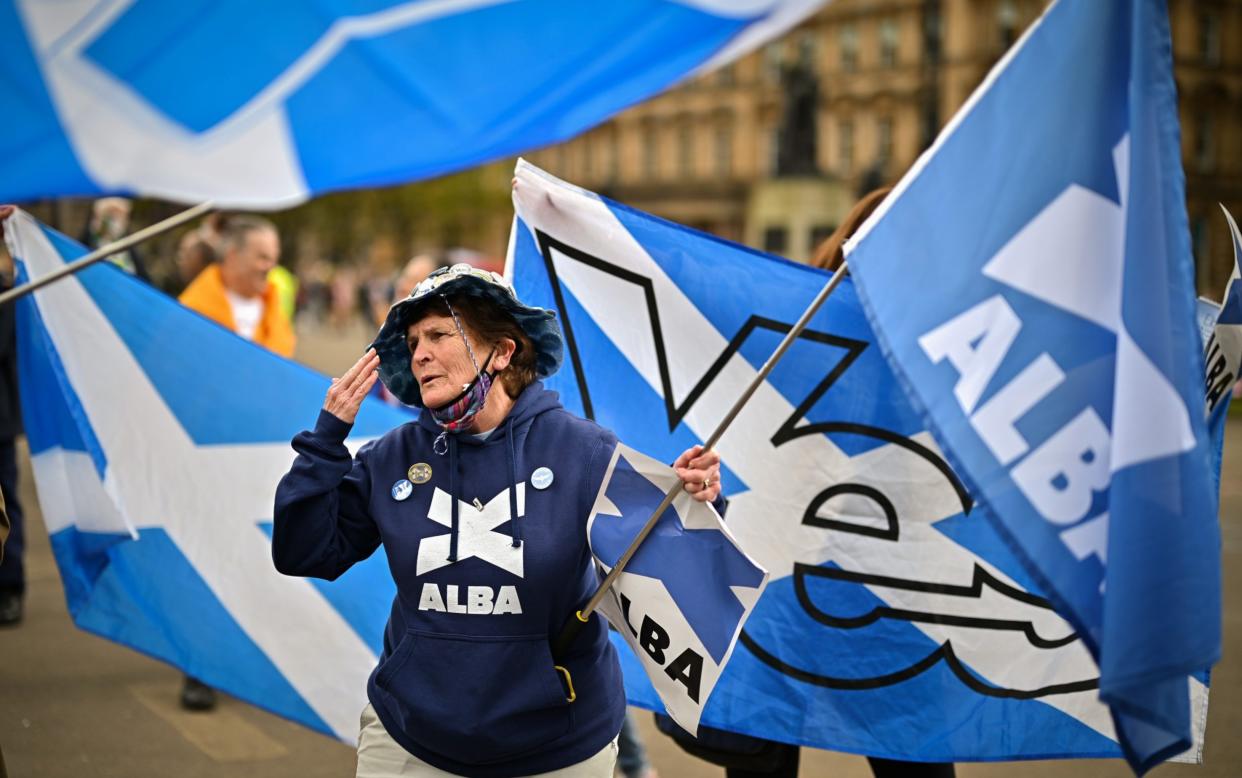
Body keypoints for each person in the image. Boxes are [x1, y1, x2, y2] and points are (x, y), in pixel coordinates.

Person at [272, 263, 723, 777]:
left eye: (439, 334)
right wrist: (325, 443)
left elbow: (669, 567)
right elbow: (303, 553)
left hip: (557, 747)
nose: (419, 353)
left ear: (503, 351)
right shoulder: (392, 457)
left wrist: (694, 498)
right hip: (409, 738)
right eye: (414, 340)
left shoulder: (584, 452)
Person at [178, 214, 295, 357]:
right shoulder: (191, 311)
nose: (271, 267)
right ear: (233, 256)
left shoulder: (278, 323)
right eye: (263, 258)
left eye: (274, 259)